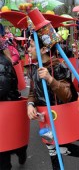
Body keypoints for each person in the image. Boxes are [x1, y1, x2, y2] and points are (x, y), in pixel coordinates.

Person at [26, 35, 79, 170]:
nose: (28, 49)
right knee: (51, 146)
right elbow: (32, 92)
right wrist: (30, 104)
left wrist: (50, 79)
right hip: (44, 115)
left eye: (31, 45)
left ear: (43, 49)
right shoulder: (35, 69)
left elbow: (67, 95)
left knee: (56, 147)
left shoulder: (59, 67)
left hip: (60, 115)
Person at [0, 38, 27, 170]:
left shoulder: (2, 62)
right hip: (5, 106)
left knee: (4, 143)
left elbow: (2, 89)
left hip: (6, 106)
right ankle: (20, 149)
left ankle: (20, 151)